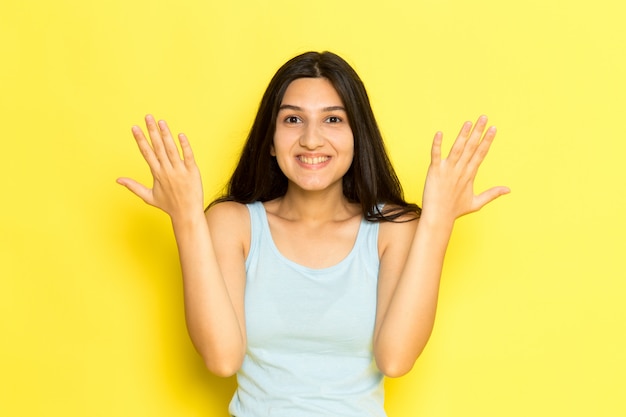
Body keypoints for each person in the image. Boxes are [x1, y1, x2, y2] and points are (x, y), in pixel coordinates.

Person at [116, 51, 510, 416]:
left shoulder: (393, 230)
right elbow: (221, 359)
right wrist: (186, 218)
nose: (311, 139)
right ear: (270, 141)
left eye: (333, 119)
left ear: (358, 137)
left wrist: (437, 222)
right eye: (292, 119)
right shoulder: (232, 224)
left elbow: (396, 359)